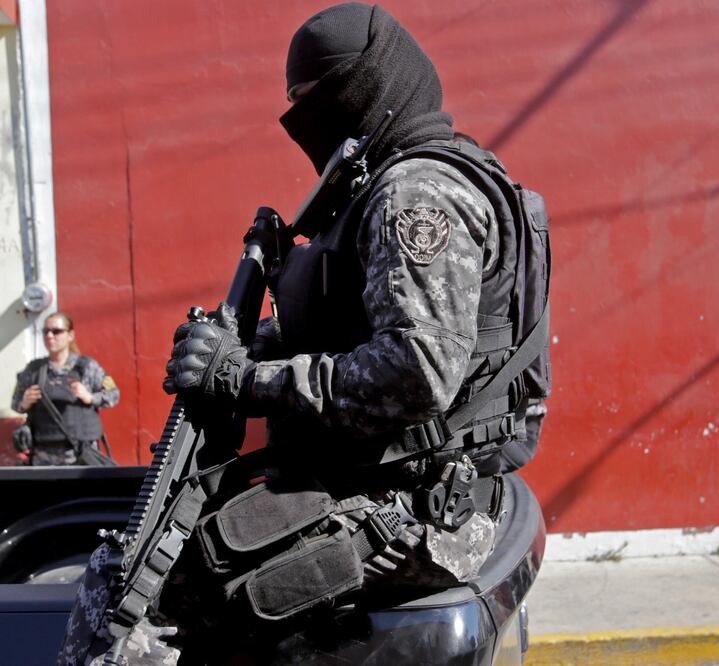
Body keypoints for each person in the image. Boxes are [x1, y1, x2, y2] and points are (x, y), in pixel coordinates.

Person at [58, 3, 549, 663]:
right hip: (401, 484)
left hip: (415, 508)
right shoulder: (394, 179)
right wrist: (242, 348)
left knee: (145, 598)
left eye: (311, 98)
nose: (299, 117)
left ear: (365, 85)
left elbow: (416, 372)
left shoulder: (416, 193)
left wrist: (244, 378)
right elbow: (353, 325)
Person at [11, 311, 119, 466]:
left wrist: (90, 397)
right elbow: (16, 404)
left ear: (70, 335)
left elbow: (113, 394)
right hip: (43, 455)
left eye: (56, 331)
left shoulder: (87, 367)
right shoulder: (34, 370)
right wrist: (24, 402)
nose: (49, 336)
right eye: (45, 331)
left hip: (79, 455)